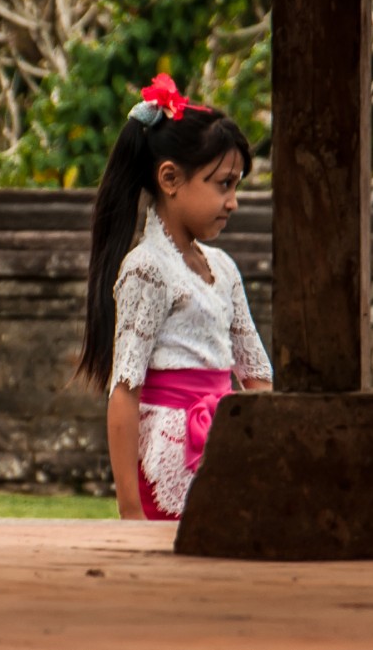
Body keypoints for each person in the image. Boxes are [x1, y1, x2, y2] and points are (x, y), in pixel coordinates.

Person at [76, 73, 273, 521]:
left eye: (236, 185)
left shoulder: (223, 268)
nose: (234, 201)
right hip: (168, 459)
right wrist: (130, 510)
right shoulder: (147, 269)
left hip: (223, 449)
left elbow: (258, 378)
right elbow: (124, 391)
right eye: (223, 184)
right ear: (170, 178)